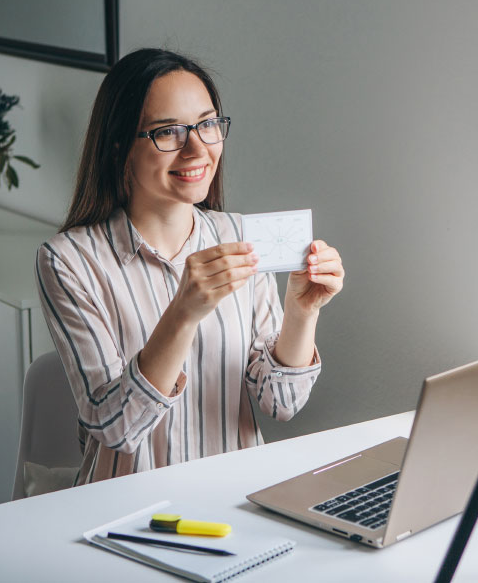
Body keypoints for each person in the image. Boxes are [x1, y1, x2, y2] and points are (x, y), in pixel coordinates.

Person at [36, 49, 345, 485]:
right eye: (168, 132)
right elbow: (115, 428)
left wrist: (302, 312)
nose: (197, 148)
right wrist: (183, 313)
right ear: (120, 145)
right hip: (124, 512)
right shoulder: (69, 260)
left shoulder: (239, 236)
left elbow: (281, 403)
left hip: (234, 500)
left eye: (207, 124)